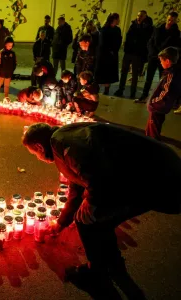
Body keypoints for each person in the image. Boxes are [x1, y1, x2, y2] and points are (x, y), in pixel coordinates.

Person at [22, 122, 181, 299]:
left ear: (38, 146)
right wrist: (61, 223)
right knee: (100, 221)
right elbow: (77, 185)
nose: (37, 157)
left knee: (86, 221)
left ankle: (96, 276)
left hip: (156, 179)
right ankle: (111, 264)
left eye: (34, 153)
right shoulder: (64, 137)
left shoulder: (64, 144)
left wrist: (91, 203)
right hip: (157, 169)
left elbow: (98, 175)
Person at [136, 12, 180, 103]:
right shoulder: (158, 28)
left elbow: (174, 47)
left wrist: (164, 55)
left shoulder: (176, 33)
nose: (169, 22)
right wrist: (152, 53)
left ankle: (161, 98)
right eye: (169, 19)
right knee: (148, 78)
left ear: (175, 21)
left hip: (165, 60)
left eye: (172, 20)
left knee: (163, 80)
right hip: (153, 57)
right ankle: (144, 96)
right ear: (166, 18)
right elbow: (151, 41)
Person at [114, 10, 153, 99]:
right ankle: (121, 89)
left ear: (145, 17)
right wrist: (127, 47)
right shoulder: (133, 25)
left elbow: (145, 40)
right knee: (124, 71)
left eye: (141, 16)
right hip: (129, 52)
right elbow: (128, 36)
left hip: (137, 54)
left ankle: (132, 92)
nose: (139, 17)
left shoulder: (148, 28)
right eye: (138, 15)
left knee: (135, 74)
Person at [145, 47, 181, 140]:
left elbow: (166, 93)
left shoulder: (170, 75)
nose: (160, 63)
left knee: (153, 130)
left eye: (161, 61)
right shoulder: (171, 72)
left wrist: (152, 103)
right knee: (153, 127)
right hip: (160, 107)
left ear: (167, 61)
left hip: (158, 107)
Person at [95, 13, 122, 95]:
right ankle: (97, 88)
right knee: (101, 72)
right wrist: (110, 50)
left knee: (108, 74)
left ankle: (106, 89)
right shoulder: (105, 29)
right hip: (104, 55)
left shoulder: (117, 30)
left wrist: (114, 50)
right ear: (114, 19)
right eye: (118, 19)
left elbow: (118, 41)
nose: (119, 21)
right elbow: (103, 43)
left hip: (112, 55)